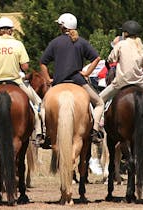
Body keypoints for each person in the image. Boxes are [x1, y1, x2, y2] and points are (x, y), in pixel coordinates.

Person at [39, 13, 104, 141]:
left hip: (58, 82)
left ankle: (45, 131)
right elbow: (97, 58)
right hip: (78, 81)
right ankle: (95, 130)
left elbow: (43, 63)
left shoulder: (55, 42)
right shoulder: (81, 42)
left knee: (42, 106)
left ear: (63, 27)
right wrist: (87, 73)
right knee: (99, 103)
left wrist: (47, 79)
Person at [0, 17, 46, 148]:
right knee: (37, 104)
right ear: (11, 31)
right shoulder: (18, 44)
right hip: (16, 82)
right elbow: (25, 67)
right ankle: (40, 132)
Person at [100, 20, 143, 102]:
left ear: (126, 33)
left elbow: (111, 59)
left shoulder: (121, 44)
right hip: (139, 82)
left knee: (98, 100)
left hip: (121, 82)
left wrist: (108, 60)